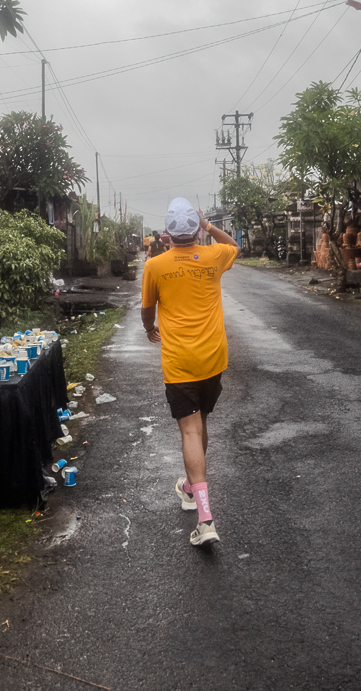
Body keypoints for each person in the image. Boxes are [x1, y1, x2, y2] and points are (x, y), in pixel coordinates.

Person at [141, 198, 239, 547]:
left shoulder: (155, 264)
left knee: (190, 432)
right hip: (213, 358)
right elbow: (233, 246)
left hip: (180, 361)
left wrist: (149, 329)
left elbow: (147, 309)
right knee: (201, 426)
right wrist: (210, 226)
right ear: (196, 229)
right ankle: (188, 487)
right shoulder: (214, 257)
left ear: (167, 233)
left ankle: (205, 518)